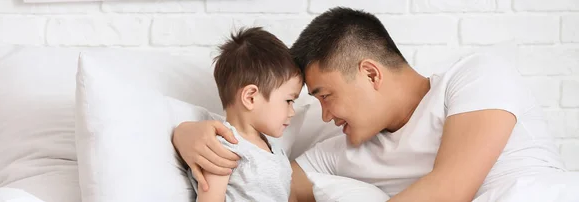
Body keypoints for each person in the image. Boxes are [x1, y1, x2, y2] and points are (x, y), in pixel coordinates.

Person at [173, 7, 575, 202]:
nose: (325, 115)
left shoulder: (473, 77)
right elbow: (268, 178)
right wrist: (189, 133)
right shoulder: (340, 151)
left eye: (325, 96)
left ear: (370, 73)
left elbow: (450, 188)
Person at [186, 27, 303, 202]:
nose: (292, 112)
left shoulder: (273, 147)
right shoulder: (223, 149)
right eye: (288, 101)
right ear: (250, 97)